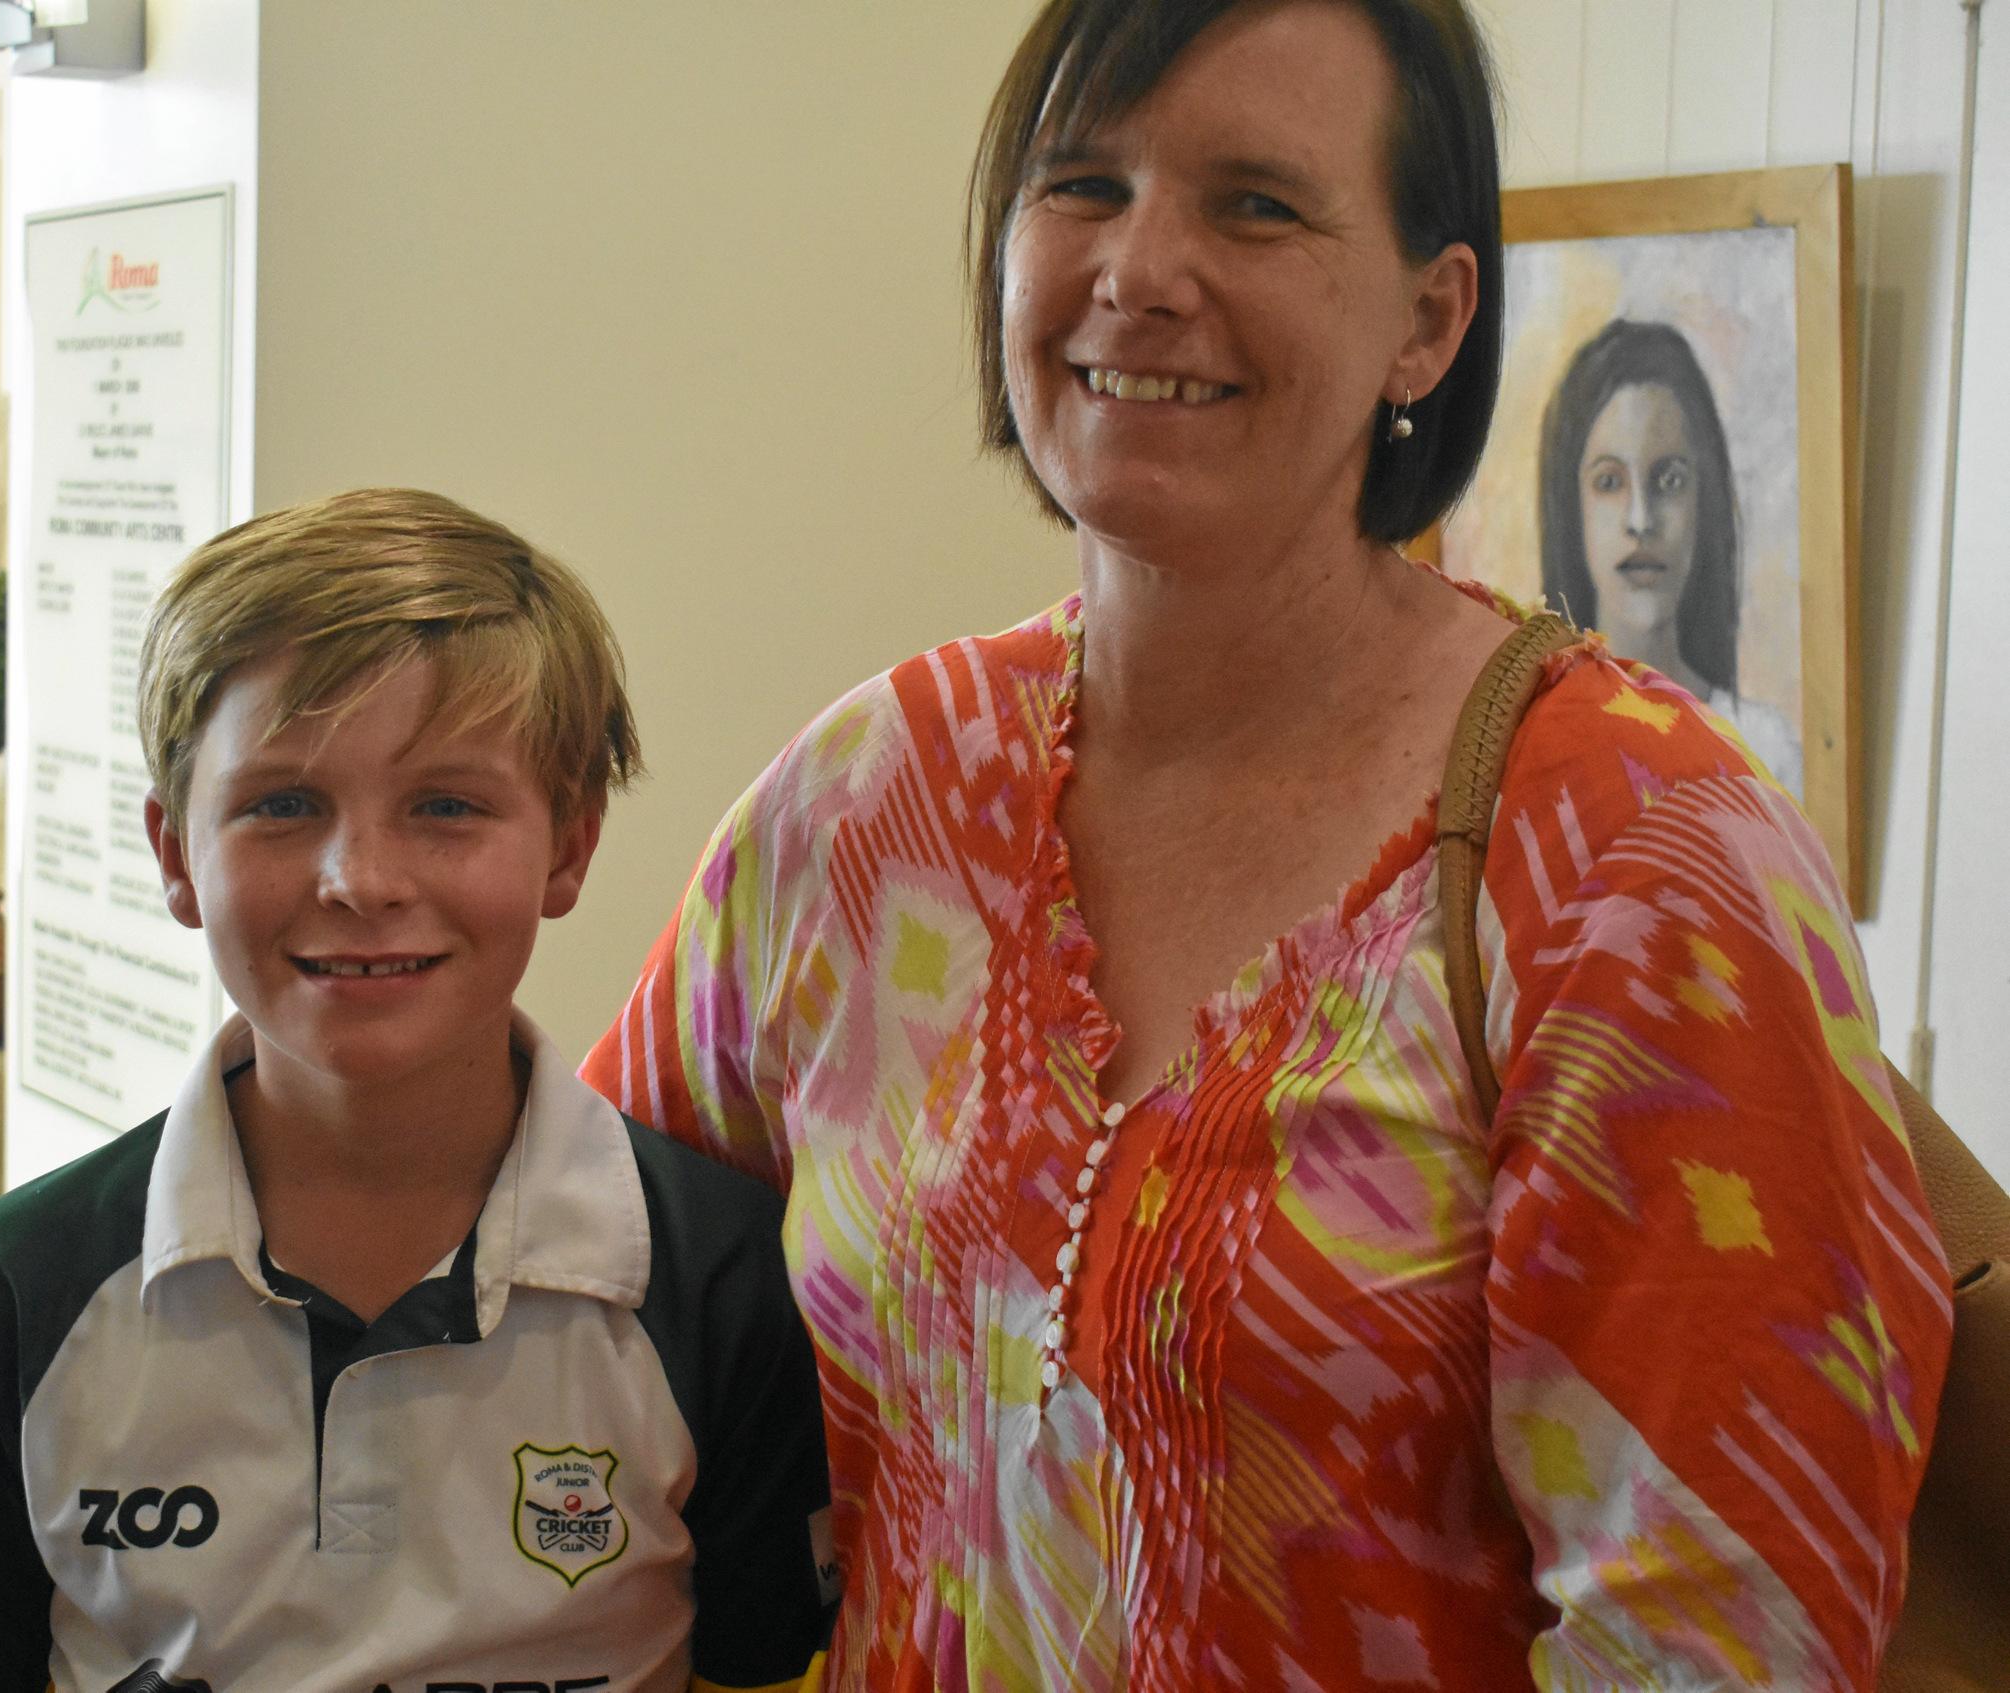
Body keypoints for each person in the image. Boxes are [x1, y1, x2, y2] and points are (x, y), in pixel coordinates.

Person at [585, 0, 1950, 1687]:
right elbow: (574, 1285)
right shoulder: (875, 796)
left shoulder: (1631, 861)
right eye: (1078, 184)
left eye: (1254, 204)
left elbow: (1722, 1639)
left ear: (1427, 320)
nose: (1137, 270)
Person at [0, 489, 836, 1693]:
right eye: (282, 805)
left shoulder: (721, 1284)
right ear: (174, 855)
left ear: (569, 847)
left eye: (447, 807)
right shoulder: (8, 1299)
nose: (360, 879)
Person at [1539, 316, 1805, 788]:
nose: (1640, 520)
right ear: (1571, 506)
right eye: (1609, 482)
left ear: (1704, 501)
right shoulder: (1528, 749)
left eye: (1669, 481)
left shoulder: (1766, 751)